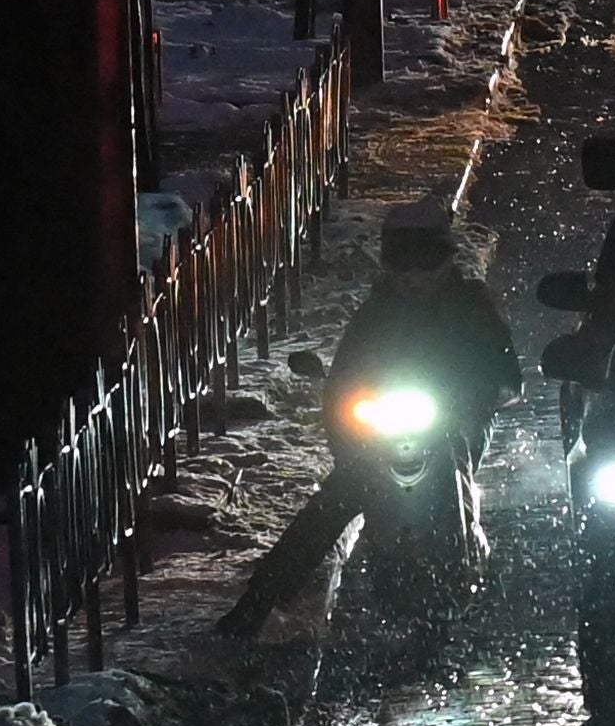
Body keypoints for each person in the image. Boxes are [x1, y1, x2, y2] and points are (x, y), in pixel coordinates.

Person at [218, 189, 518, 634]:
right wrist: (346, 425)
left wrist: (476, 397)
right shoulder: (375, 314)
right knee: (332, 503)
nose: (416, 274)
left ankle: (473, 573)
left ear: (446, 257)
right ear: (389, 262)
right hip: (384, 433)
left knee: (457, 484)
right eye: (405, 260)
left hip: (452, 429)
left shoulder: (473, 307)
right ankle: (253, 609)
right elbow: (342, 380)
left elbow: (508, 378)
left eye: (427, 259)